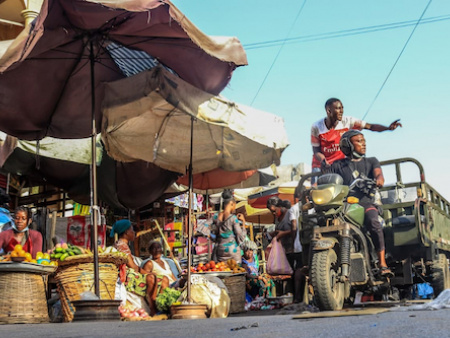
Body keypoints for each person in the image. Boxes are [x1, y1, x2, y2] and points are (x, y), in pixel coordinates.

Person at [328, 130, 391, 275]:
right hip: (345, 206)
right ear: (347, 145)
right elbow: (327, 179)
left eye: (364, 141)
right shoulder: (338, 165)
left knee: (373, 222)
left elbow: (378, 174)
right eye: (359, 141)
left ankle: (382, 263)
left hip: (366, 203)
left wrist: (379, 180)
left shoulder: (371, 161)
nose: (363, 144)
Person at [311, 97, 402, 183]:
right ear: (329, 111)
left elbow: (370, 126)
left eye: (342, 108)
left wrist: (388, 128)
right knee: (317, 192)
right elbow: (316, 150)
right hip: (321, 165)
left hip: (340, 165)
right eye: (338, 108)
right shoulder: (317, 127)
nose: (341, 111)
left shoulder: (348, 121)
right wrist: (323, 161)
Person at [111, 219, 162, 315]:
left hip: (130, 274)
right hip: (127, 277)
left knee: (160, 278)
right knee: (153, 278)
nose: (134, 233)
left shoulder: (123, 245)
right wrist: (149, 273)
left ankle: (156, 307)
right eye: (132, 230)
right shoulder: (122, 246)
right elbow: (133, 267)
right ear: (126, 232)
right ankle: (152, 308)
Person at [212, 189, 247, 264]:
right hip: (232, 250)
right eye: (235, 205)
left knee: (222, 269)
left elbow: (212, 234)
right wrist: (243, 222)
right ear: (231, 203)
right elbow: (240, 236)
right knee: (235, 271)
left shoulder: (216, 216)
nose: (235, 207)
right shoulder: (233, 218)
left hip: (220, 250)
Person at [266, 197, 295, 269]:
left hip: (293, 250)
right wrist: (273, 233)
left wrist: (284, 233)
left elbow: (296, 230)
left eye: (274, 210)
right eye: (271, 212)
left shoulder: (290, 214)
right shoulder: (276, 218)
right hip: (284, 251)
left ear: (280, 207)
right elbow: (278, 230)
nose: (273, 213)